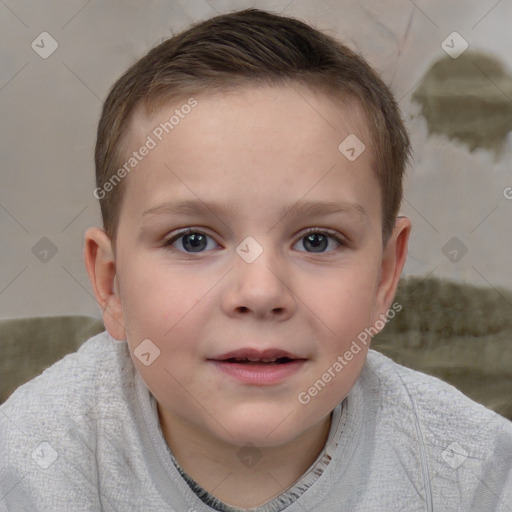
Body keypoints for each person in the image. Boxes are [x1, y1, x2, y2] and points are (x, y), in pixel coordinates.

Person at [1, 8, 511, 511]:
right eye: (193, 241)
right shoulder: (33, 466)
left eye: (317, 241)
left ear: (384, 277)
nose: (260, 292)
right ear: (112, 284)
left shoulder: (472, 474)